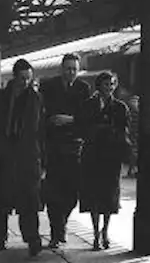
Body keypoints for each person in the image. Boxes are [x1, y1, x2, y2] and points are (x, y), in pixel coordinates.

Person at [0, 59, 44, 257]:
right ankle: (0, 238)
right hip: (4, 155)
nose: (26, 82)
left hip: (27, 156)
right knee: (1, 199)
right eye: (22, 78)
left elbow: (40, 129)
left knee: (29, 200)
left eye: (29, 78)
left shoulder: (35, 98)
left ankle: (32, 239)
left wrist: (41, 156)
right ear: (14, 77)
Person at [40, 53, 91, 249]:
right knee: (53, 191)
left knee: (72, 192)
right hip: (53, 147)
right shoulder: (48, 86)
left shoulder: (83, 89)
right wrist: (50, 121)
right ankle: (56, 230)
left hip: (74, 146)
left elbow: (87, 116)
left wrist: (70, 120)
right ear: (61, 68)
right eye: (68, 68)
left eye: (74, 69)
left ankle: (63, 221)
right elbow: (40, 112)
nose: (71, 72)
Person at [79, 72, 129, 250]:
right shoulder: (88, 106)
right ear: (99, 86)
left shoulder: (120, 107)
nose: (109, 88)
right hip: (92, 156)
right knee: (93, 196)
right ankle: (94, 233)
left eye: (112, 84)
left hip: (111, 158)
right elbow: (82, 128)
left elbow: (123, 131)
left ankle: (105, 231)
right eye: (106, 84)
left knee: (108, 197)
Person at [125, 95, 140, 178]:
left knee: (133, 152)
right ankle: (132, 170)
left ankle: (132, 170)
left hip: (134, 133)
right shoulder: (133, 111)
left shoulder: (131, 110)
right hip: (134, 133)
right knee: (133, 152)